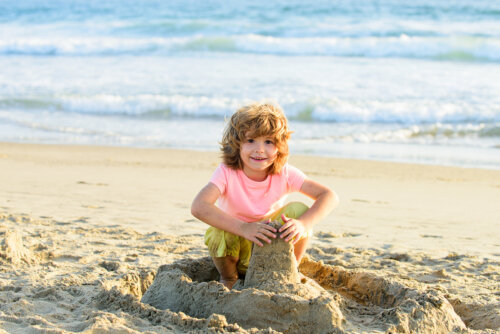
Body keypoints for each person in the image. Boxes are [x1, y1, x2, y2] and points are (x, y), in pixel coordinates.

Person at [191, 102, 338, 289]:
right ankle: (229, 279)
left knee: (299, 210)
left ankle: (291, 268)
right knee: (219, 231)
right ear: (236, 145)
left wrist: (303, 224)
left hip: (270, 249)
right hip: (236, 251)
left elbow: (329, 195)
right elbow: (199, 206)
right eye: (251, 140)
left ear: (280, 146)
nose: (260, 149)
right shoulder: (227, 172)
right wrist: (244, 228)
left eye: (269, 142)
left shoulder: (284, 173)